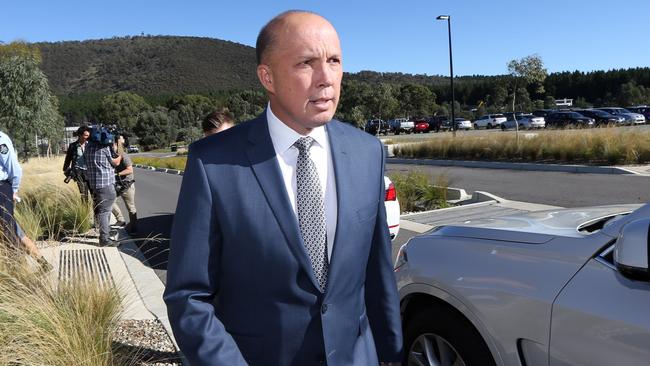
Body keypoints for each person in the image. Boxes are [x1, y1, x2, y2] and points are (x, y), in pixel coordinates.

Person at [164, 10, 402, 366]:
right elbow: (189, 296)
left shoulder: (367, 152)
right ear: (268, 77)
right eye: (307, 62)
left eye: (334, 61)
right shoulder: (212, 163)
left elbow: (377, 271)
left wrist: (390, 353)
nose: (326, 79)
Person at [84, 129, 122, 247]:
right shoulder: (104, 149)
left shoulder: (88, 148)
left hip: (94, 185)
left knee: (102, 211)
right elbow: (115, 162)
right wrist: (120, 149)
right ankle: (104, 239)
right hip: (106, 185)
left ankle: (105, 233)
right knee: (105, 212)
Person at [111, 135, 137, 234]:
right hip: (117, 184)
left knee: (131, 208)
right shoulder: (114, 156)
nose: (112, 146)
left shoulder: (124, 156)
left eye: (114, 145)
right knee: (110, 202)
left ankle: (134, 229)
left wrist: (116, 174)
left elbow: (130, 170)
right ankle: (120, 220)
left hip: (127, 184)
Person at [0, 129, 22, 246]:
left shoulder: (1, 141)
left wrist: (14, 190)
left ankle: (15, 262)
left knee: (8, 229)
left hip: (2, 189)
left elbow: (14, 168)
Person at [63, 125, 91, 202]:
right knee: (83, 195)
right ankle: (85, 211)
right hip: (79, 172)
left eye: (88, 136)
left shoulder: (91, 145)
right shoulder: (73, 146)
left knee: (94, 194)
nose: (86, 137)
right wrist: (67, 171)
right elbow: (68, 159)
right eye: (85, 135)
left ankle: (96, 212)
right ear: (80, 135)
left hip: (90, 172)